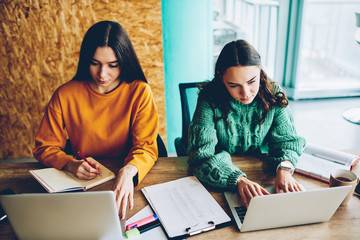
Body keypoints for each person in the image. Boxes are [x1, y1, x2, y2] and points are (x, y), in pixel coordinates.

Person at [33, 21, 159, 218]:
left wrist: (128, 172)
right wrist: (69, 163)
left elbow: (146, 147)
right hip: (82, 183)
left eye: (112, 65)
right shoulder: (65, 94)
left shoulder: (140, 92)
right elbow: (44, 147)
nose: (102, 74)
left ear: (124, 61)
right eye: (95, 63)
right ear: (85, 60)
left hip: (126, 180)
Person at [188, 39, 306, 208]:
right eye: (234, 85)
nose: (245, 93)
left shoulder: (274, 93)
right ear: (221, 76)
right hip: (221, 180)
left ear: (260, 70)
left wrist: (285, 168)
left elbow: (288, 141)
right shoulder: (208, 99)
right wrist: (237, 179)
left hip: (263, 172)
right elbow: (201, 156)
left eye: (252, 81)